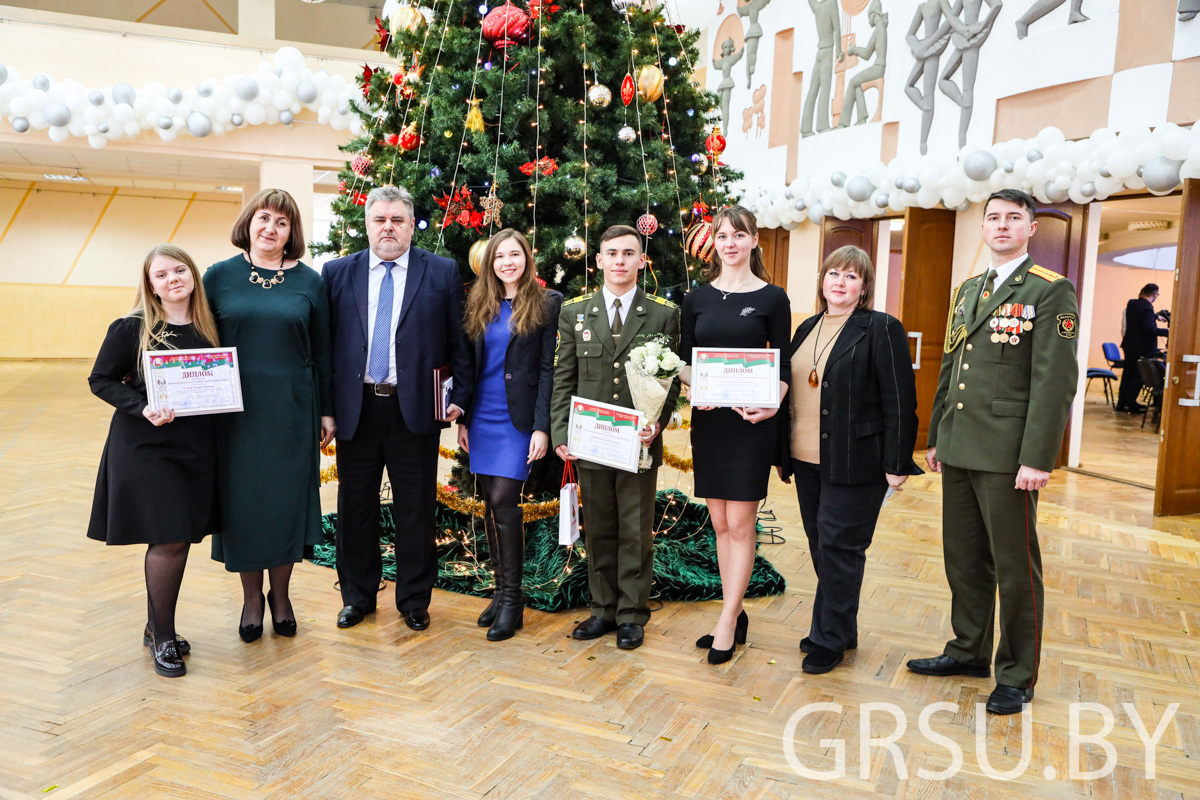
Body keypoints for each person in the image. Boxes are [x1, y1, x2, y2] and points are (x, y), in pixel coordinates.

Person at [907, 189, 1079, 715]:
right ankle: (967, 650)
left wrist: (1037, 456)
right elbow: (953, 364)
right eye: (993, 219)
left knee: (1015, 567)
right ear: (982, 228)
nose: (1002, 226)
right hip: (960, 444)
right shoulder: (969, 289)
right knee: (963, 559)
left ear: (1031, 228)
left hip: (1008, 454)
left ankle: (1017, 674)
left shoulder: (1050, 291)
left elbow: (1054, 382)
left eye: (1013, 219)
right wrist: (936, 432)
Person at [323, 185, 473, 633]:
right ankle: (357, 597)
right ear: (367, 224)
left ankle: (413, 598)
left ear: (411, 225)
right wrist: (327, 408)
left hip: (416, 410)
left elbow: (459, 344)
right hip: (357, 409)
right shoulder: (336, 273)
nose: (388, 228)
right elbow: (326, 348)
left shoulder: (442, 272)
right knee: (355, 509)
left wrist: (460, 399)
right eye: (379, 220)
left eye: (397, 220)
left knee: (415, 508)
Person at [776, 246, 921, 674]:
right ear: (822, 280)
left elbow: (901, 400)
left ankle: (830, 638)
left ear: (864, 287)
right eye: (833, 274)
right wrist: (780, 454)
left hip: (857, 460)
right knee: (822, 545)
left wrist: (897, 463)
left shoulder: (880, 328)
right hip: (805, 460)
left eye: (851, 277)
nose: (840, 282)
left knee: (841, 547)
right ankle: (841, 625)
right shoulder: (806, 328)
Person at [203, 189, 335, 643]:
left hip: (293, 411)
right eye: (264, 219)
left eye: (282, 222)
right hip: (234, 414)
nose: (270, 229)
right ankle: (251, 598)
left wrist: (328, 412)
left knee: (284, 504)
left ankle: (281, 595)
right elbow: (198, 340)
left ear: (292, 232)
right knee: (244, 506)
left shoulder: (311, 282)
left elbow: (323, 353)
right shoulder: (219, 276)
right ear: (249, 223)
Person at [88, 244, 221, 677]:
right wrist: (143, 406)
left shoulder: (210, 326)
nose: (172, 280)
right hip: (146, 446)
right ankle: (162, 636)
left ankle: (155, 627)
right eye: (161, 275)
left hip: (195, 447)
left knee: (178, 536)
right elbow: (101, 379)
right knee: (169, 537)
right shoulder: (133, 327)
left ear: (193, 276)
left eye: (179, 270)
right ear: (150, 285)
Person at [551, 225, 680, 651]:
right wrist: (559, 432)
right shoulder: (575, 312)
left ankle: (631, 614)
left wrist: (658, 422)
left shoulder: (663, 314)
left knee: (636, 528)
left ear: (642, 261)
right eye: (613, 253)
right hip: (590, 441)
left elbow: (672, 380)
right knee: (600, 527)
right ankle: (602, 609)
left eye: (630, 253)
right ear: (599, 261)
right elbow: (564, 377)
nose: (621, 260)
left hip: (638, 444)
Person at [679, 205, 792, 665]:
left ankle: (726, 620)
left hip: (751, 423)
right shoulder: (697, 298)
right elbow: (683, 360)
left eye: (738, 235)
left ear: (754, 241)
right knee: (720, 523)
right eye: (722, 235)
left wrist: (773, 402)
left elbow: (783, 363)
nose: (729, 243)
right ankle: (735, 609)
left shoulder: (772, 298)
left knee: (742, 524)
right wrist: (696, 385)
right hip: (711, 421)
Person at [456, 229, 562, 642]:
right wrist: (463, 417)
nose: (507, 262)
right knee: (488, 502)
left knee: (504, 500)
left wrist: (542, 426)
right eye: (499, 256)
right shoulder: (478, 303)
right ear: (489, 263)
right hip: (483, 415)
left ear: (527, 258)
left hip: (519, 419)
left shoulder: (547, 304)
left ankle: (513, 597)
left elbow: (549, 371)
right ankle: (501, 596)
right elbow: (469, 364)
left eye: (514, 254)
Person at [1116, 283, 1168, 413]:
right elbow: (1148, 329)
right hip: (1142, 349)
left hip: (1129, 346)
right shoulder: (1147, 308)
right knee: (1138, 376)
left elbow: (1139, 316)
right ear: (1155, 294)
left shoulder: (1132, 303)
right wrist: (1167, 331)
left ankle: (1122, 404)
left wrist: (1156, 316)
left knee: (1127, 375)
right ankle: (1130, 404)